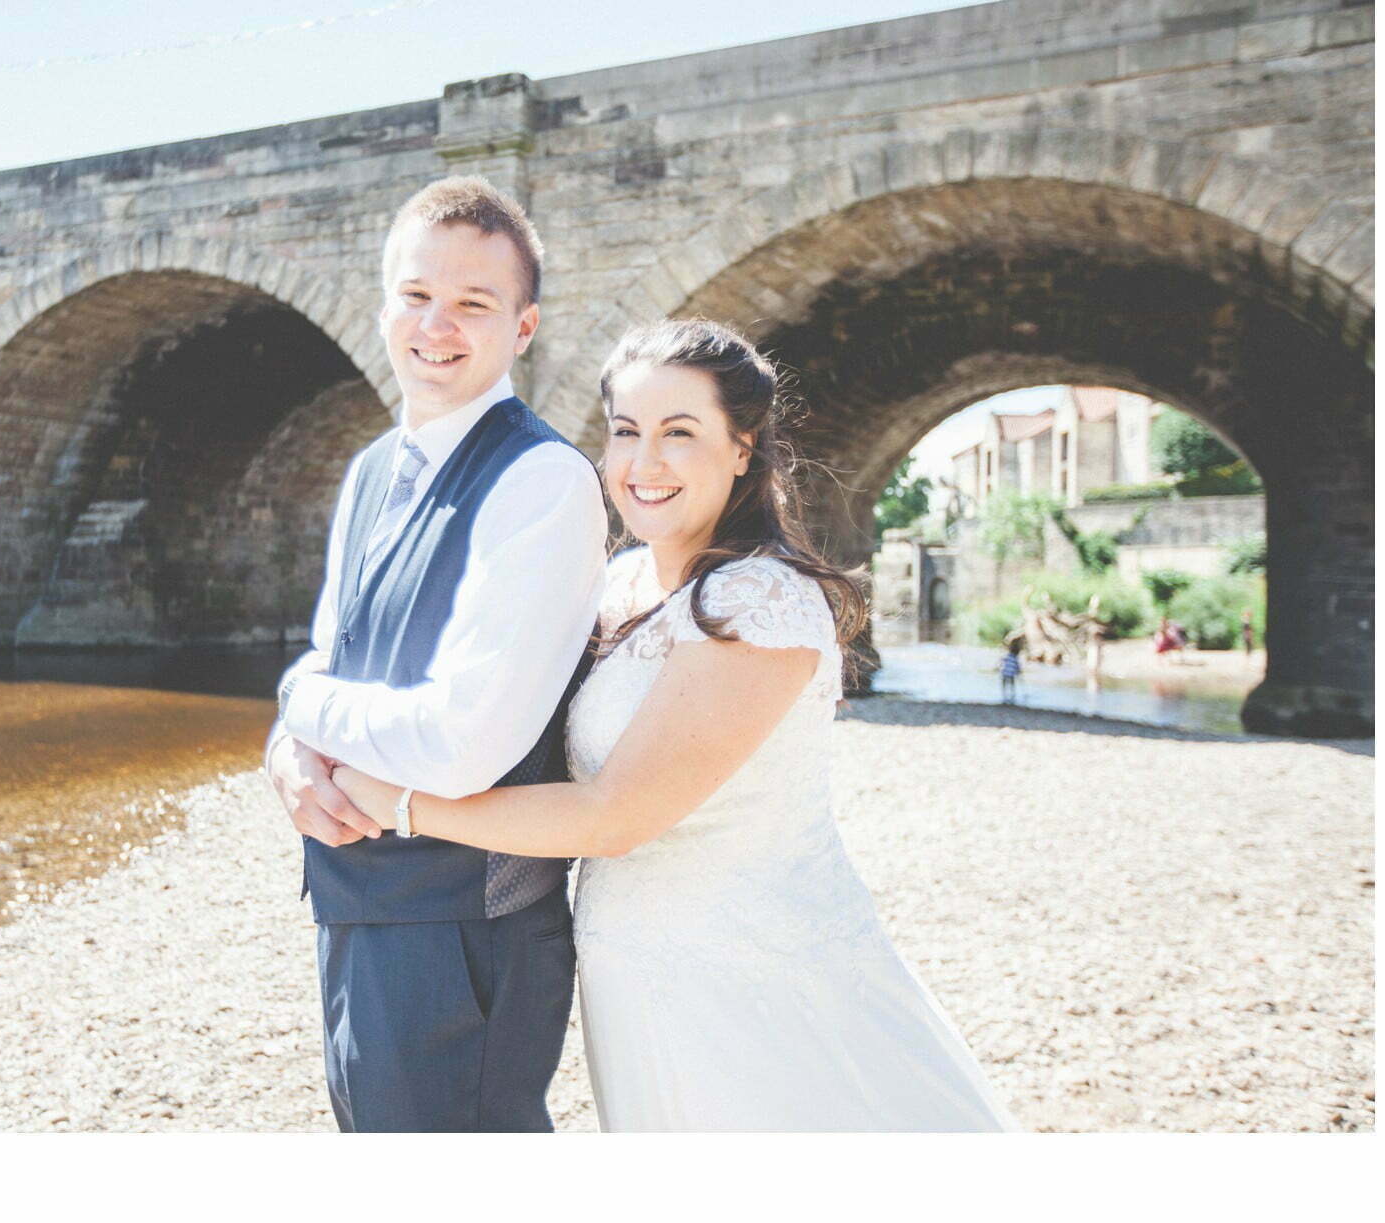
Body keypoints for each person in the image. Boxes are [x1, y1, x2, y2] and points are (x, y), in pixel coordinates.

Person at [331, 319, 1019, 1132]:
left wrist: (400, 805)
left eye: (679, 433)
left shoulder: (760, 603)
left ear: (742, 448)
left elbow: (613, 816)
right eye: (626, 432)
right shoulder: (616, 580)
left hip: (748, 982)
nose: (643, 462)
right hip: (638, 977)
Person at [264, 177, 606, 1132]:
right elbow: (330, 656)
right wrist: (287, 757)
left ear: (524, 327)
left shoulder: (543, 480)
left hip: (466, 929)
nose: (437, 324)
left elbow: (462, 742)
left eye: (473, 303)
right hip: (355, 904)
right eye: (417, 296)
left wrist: (300, 707)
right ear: (385, 307)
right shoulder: (373, 469)